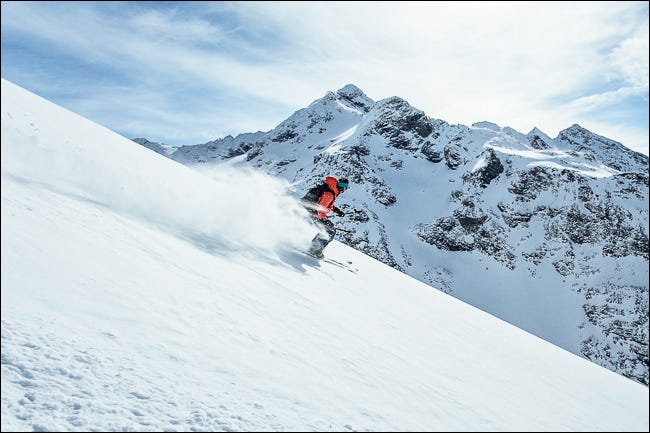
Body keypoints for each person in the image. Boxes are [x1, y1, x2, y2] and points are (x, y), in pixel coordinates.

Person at [301, 176, 349, 258]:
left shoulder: (332, 191)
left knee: (327, 229)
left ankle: (314, 247)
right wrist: (324, 219)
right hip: (313, 214)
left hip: (313, 213)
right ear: (343, 187)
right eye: (346, 188)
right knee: (330, 231)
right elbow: (320, 208)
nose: (346, 190)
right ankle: (315, 249)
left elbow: (328, 203)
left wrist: (337, 210)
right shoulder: (330, 194)